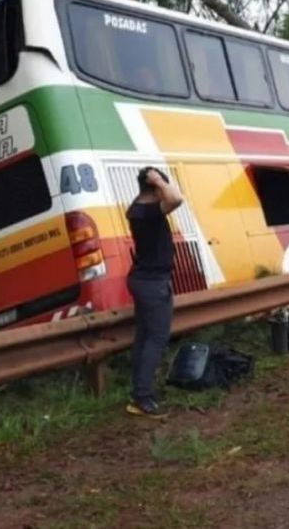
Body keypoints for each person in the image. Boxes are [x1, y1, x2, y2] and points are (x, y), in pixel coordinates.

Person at [125, 167, 184, 418]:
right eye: (161, 188)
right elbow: (177, 199)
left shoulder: (137, 209)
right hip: (152, 283)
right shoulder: (147, 211)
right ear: (155, 189)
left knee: (144, 337)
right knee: (157, 338)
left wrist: (155, 183)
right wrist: (159, 180)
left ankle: (140, 391)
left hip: (144, 280)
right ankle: (143, 398)